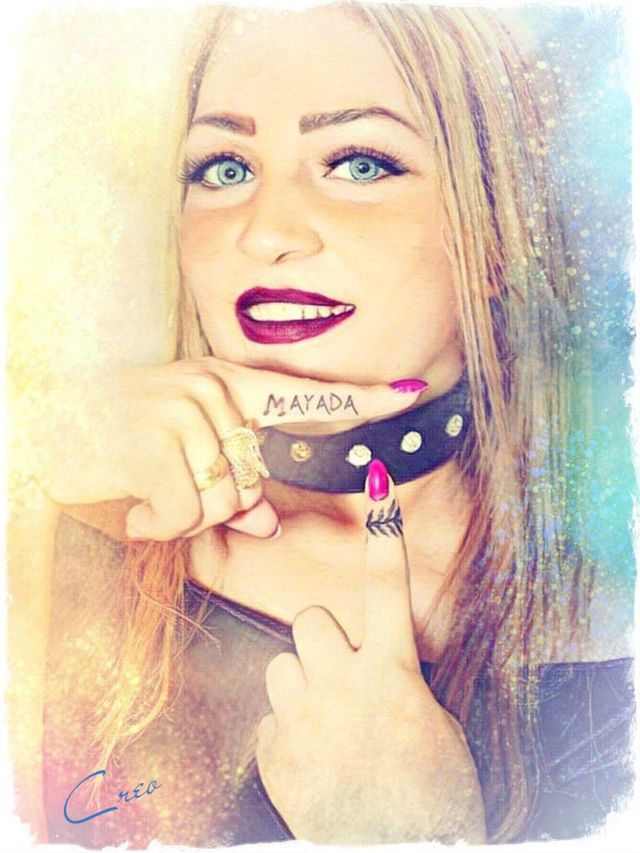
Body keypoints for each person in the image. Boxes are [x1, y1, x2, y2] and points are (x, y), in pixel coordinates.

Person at [8, 1, 634, 848]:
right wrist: (24, 453)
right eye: (225, 167)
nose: (265, 232)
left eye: (360, 163)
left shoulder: (612, 644)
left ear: (494, 236)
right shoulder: (58, 529)